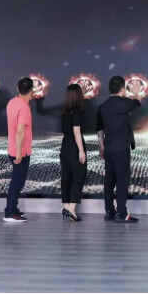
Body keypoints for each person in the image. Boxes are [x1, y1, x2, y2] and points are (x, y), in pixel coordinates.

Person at [96, 76, 142, 223]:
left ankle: (109, 211)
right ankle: (122, 213)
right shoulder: (125, 103)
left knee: (109, 180)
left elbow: (99, 129)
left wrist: (101, 146)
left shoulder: (103, 106)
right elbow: (137, 102)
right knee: (122, 180)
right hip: (121, 148)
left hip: (108, 148)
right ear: (122, 89)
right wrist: (136, 91)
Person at [3, 77, 35, 223]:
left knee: (17, 181)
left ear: (18, 89)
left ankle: (13, 209)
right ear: (31, 90)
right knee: (17, 182)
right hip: (20, 151)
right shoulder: (24, 108)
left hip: (13, 148)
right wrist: (19, 153)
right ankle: (10, 212)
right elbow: (20, 131)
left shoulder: (12, 102)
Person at [60, 84, 88, 222]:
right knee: (78, 177)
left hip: (65, 146)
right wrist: (81, 150)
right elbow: (77, 132)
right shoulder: (77, 112)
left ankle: (66, 208)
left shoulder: (64, 112)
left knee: (66, 178)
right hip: (74, 147)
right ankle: (71, 210)